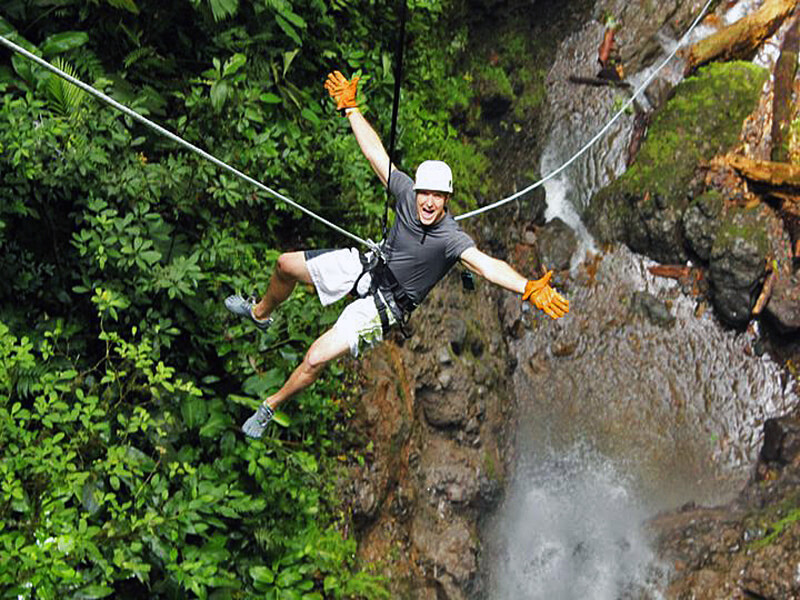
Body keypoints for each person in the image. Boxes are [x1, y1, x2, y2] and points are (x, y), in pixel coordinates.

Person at [225, 70, 569, 438]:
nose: (429, 201)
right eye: (426, 193)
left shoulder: (450, 238)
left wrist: (527, 287)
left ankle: (270, 406)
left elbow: (486, 266)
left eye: (438, 197)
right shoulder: (406, 193)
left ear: (447, 200)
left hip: (383, 307)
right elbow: (376, 155)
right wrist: (351, 109)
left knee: (316, 356)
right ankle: (260, 314)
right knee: (284, 264)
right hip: (368, 267)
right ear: (418, 190)